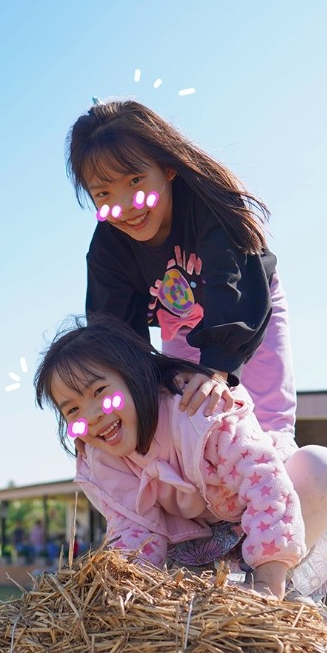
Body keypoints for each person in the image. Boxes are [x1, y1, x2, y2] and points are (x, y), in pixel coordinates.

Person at [35, 317, 327, 601]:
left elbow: (265, 482)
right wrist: (128, 597)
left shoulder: (201, 412)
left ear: (135, 376)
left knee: (320, 466)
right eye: (72, 410)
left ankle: (280, 584)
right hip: (198, 549)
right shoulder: (104, 460)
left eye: (101, 392)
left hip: (268, 517)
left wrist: (268, 583)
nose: (91, 416)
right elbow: (135, 531)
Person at [68, 100, 295, 454]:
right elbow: (115, 332)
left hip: (248, 305)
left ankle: (284, 472)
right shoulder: (108, 249)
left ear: (168, 167)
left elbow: (231, 281)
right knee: (186, 415)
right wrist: (108, 408)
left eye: (135, 180)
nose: (125, 205)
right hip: (180, 323)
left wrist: (217, 369)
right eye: (104, 194)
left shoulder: (207, 203)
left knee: (268, 419)